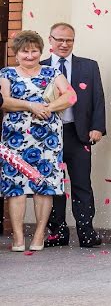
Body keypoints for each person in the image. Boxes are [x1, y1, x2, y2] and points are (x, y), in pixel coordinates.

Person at [0, 31, 74, 251]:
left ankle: (40, 234)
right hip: (15, 137)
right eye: (25, 51)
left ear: (41, 52)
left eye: (34, 51)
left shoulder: (52, 72)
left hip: (47, 138)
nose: (30, 55)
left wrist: (48, 108)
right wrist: (30, 106)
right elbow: (3, 101)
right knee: (16, 186)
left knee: (45, 185)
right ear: (16, 54)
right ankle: (19, 237)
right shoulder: (6, 73)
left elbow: (70, 96)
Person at [41, 23, 106, 248]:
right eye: (59, 39)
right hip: (49, 136)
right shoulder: (40, 68)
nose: (64, 44)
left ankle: (87, 233)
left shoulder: (88, 67)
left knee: (81, 185)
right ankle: (58, 233)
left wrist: (97, 127)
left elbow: (98, 99)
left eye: (69, 40)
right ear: (50, 40)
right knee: (54, 186)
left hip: (78, 134)